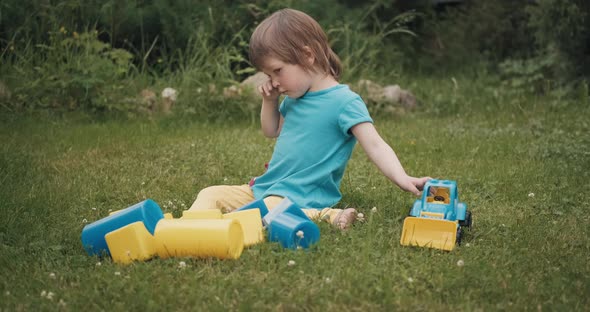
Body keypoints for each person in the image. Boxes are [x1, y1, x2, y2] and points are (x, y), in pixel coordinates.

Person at [189, 8, 431, 229]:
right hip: (266, 188)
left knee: (268, 210)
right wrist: (270, 101)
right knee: (211, 194)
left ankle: (327, 215)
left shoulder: (344, 102)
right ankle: (188, 226)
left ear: (307, 56)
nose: (273, 81)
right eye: (268, 75)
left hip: (303, 194)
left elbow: (376, 145)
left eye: (277, 71)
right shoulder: (294, 97)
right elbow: (271, 130)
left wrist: (402, 178)